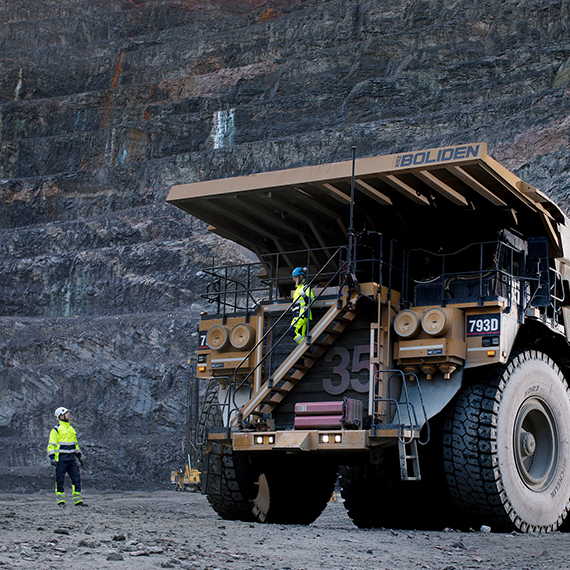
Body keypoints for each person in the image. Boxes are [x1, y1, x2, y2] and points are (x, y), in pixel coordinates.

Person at [47, 407, 86, 506]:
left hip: (71, 458)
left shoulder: (71, 429)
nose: (68, 416)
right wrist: (52, 457)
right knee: (60, 479)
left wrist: (79, 455)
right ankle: (61, 501)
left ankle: (78, 500)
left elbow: (75, 444)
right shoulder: (56, 430)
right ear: (61, 416)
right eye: (66, 414)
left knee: (76, 478)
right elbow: (51, 444)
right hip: (61, 459)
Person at [289, 267, 314, 343]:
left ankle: (305, 348)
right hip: (297, 314)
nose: (294, 279)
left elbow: (311, 301)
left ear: (300, 277)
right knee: (301, 335)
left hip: (302, 314)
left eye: (295, 277)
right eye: (293, 277)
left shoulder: (305, 287)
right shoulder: (297, 289)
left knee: (292, 331)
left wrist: (304, 296)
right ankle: (304, 352)